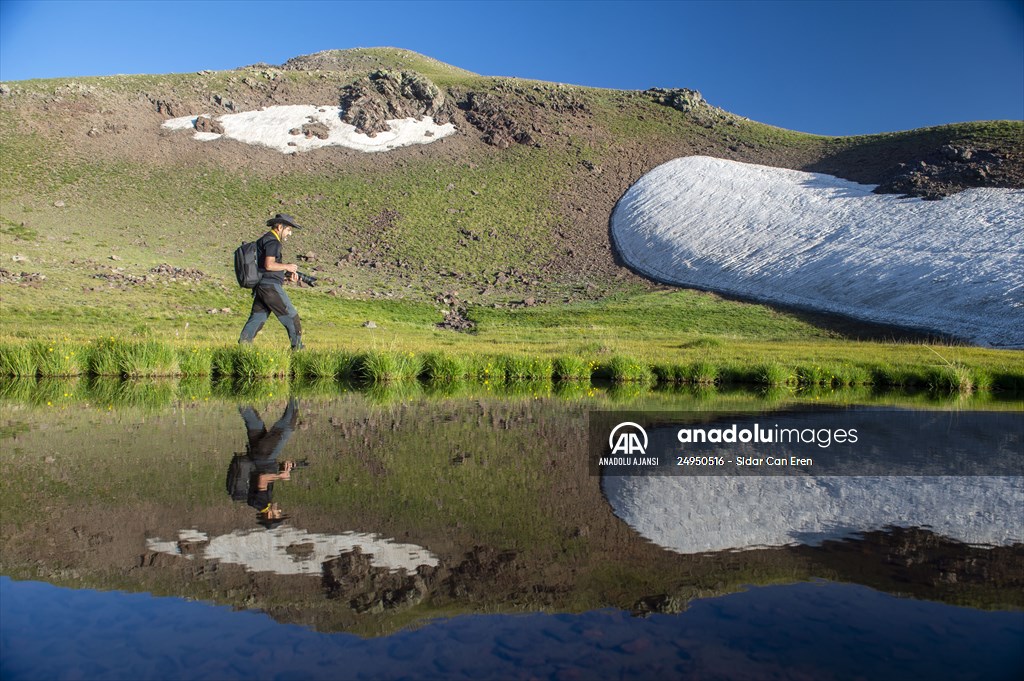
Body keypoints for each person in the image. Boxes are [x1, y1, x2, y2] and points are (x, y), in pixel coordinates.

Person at [225, 398, 301, 529]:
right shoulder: (257, 502)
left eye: (278, 514)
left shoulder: (261, 503)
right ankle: (238, 395)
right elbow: (261, 474)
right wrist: (284, 467)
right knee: (253, 421)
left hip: (265, 456)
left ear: (270, 516)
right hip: (257, 457)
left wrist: (280, 476)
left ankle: (294, 391)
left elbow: (262, 478)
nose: (280, 511)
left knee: (288, 425)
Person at [238, 213, 305, 350]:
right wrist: (288, 266)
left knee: (257, 318)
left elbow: (265, 269)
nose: (289, 233)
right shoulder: (273, 242)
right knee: (292, 317)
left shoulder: (263, 240)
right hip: (270, 288)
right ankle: (298, 350)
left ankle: (243, 348)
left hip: (261, 287)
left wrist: (285, 277)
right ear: (280, 227)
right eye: (288, 230)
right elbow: (269, 265)